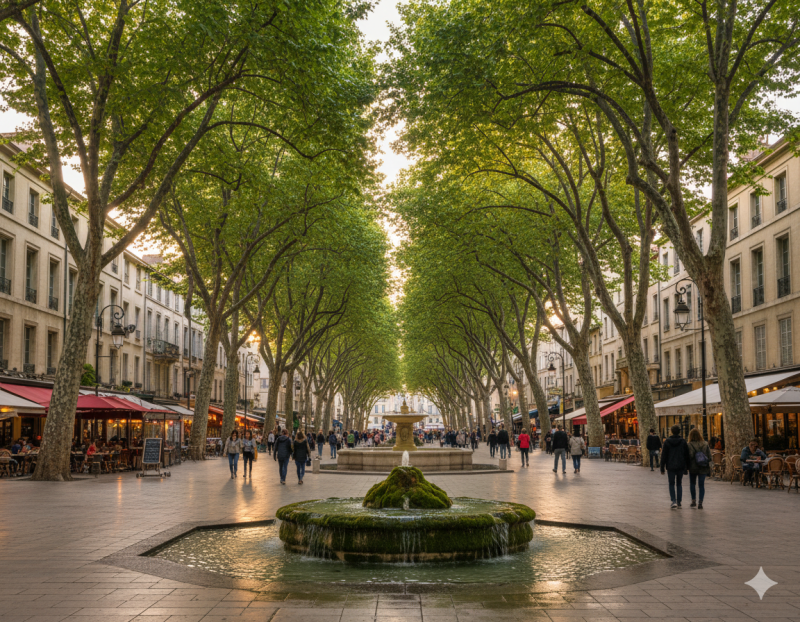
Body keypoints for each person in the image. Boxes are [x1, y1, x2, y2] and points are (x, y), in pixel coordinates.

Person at [660, 425, 691, 508]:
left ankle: (673, 500)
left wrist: (662, 467)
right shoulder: (683, 442)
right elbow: (686, 455)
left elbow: (664, 455)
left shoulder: (667, 442)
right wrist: (687, 466)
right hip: (681, 465)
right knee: (679, 484)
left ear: (671, 431)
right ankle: (679, 501)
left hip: (670, 466)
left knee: (671, 483)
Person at [687, 428, 711, 509]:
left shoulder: (689, 444)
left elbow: (689, 456)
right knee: (701, 485)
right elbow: (709, 456)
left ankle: (693, 500)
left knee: (692, 484)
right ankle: (700, 502)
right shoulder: (705, 444)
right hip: (703, 466)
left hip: (693, 467)